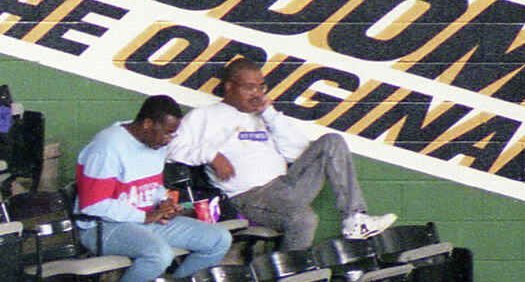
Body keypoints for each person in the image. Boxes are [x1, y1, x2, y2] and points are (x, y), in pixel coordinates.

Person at [168, 60, 395, 249]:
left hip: (286, 185)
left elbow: (297, 152)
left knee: (332, 142)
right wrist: (211, 155)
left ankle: (355, 219)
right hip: (249, 196)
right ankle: (293, 279)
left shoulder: (262, 115)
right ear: (229, 87)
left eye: (260, 86)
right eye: (249, 87)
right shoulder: (204, 116)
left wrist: (270, 115)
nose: (256, 94)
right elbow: (172, 150)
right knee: (303, 219)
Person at [74, 94, 232, 282]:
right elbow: (93, 204)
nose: (168, 140)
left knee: (219, 239)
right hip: (101, 226)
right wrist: (145, 216)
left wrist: (164, 202)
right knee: (159, 255)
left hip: (144, 220)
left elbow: (154, 186)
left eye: (172, 135)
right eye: (166, 133)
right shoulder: (107, 146)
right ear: (147, 123)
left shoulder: (155, 143)